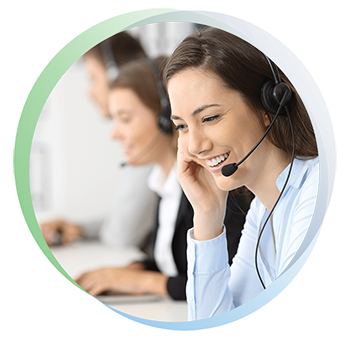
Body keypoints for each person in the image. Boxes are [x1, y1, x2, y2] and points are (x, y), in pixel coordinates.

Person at [163, 27, 319, 318]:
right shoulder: (263, 208)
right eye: (182, 126)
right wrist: (207, 216)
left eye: (209, 117)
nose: (194, 146)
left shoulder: (321, 196)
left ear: (269, 104)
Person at [75, 56, 253, 301]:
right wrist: (131, 272)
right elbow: (175, 264)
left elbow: (228, 281)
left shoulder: (216, 188)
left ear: (164, 118)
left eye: (125, 119)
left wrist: (146, 282)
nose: (114, 134)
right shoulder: (164, 183)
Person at [40, 32, 159, 251]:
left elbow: (122, 235)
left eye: (93, 78)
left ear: (117, 76)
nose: (89, 91)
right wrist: (80, 228)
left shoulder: (150, 144)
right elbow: (120, 221)